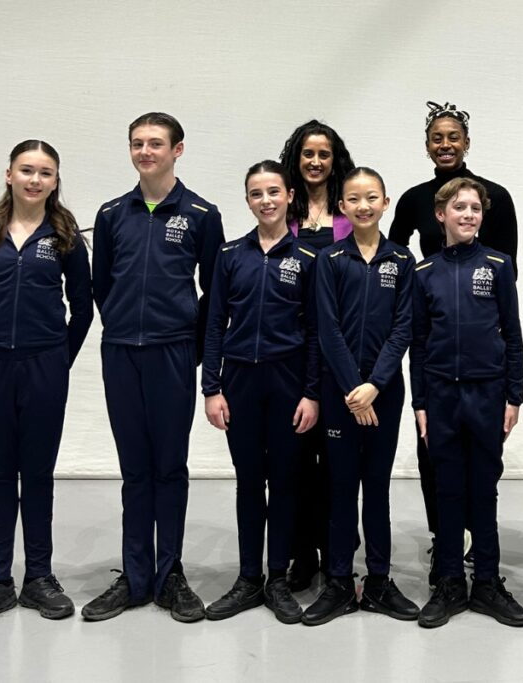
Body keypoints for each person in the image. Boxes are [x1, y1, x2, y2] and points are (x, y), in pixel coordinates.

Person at [83, 113, 223, 623]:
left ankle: (170, 574)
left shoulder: (202, 214)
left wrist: (191, 348)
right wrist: (123, 324)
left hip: (173, 353)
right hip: (121, 352)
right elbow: (102, 286)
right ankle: (135, 576)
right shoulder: (111, 213)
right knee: (135, 469)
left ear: (178, 150)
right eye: (138, 143)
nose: (146, 151)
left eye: (156, 144)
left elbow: (215, 292)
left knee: (169, 466)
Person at [0, 140, 93, 629]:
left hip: (44, 370)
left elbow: (83, 308)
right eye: (27, 170)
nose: (36, 180)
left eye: (46, 173)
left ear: (56, 181)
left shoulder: (66, 239)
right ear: (9, 174)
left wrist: (56, 358)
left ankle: (38, 577)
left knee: (36, 475)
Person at [388, 101, 519, 580]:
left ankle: (479, 554)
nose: (446, 144)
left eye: (453, 137)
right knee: (435, 461)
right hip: (437, 339)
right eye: (437, 138)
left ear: (466, 142)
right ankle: (445, 539)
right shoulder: (411, 200)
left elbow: (508, 270)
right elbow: (392, 255)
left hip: (481, 354)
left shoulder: (495, 198)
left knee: (483, 468)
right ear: (427, 146)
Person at [202, 160, 319, 625]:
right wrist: (212, 387)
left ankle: (277, 577)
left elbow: (315, 333)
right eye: (256, 193)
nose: (266, 200)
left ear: (290, 196)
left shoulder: (308, 259)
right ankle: (248, 577)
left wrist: (312, 392)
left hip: (289, 383)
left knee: (286, 481)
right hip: (241, 383)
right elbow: (213, 325)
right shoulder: (230, 255)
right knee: (249, 481)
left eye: (274, 191)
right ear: (247, 200)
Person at [301, 168, 419, 626]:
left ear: (385, 203)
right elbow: (326, 329)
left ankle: (380, 582)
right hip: (340, 395)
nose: (364, 206)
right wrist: (353, 388)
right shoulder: (330, 260)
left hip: (383, 395)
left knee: (378, 489)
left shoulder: (402, 260)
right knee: (340, 488)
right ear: (343, 208)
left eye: (372, 198)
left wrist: (375, 385)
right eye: (354, 199)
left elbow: (403, 327)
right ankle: (337, 582)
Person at [411, 177, 523, 629]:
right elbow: (418, 344)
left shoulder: (498, 265)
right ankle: (449, 582)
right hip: (440, 395)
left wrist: (513, 394)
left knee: (484, 487)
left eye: (475, 208)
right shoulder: (424, 273)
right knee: (447, 487)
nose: (468, 215)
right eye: (459, 207)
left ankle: (488, 583)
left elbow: (512, 335)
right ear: (441, 215)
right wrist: (420, 401)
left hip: (487, 392)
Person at [279, 120, 356, 590]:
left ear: (335, 160)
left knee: (336, 462)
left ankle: (339, 556)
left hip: (338, 354)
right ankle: (301, 555)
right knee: (295, 463)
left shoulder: (350, 216)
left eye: (323, 154)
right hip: (290, 353)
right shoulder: (282, 211)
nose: (315, 162)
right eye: (307, 153)